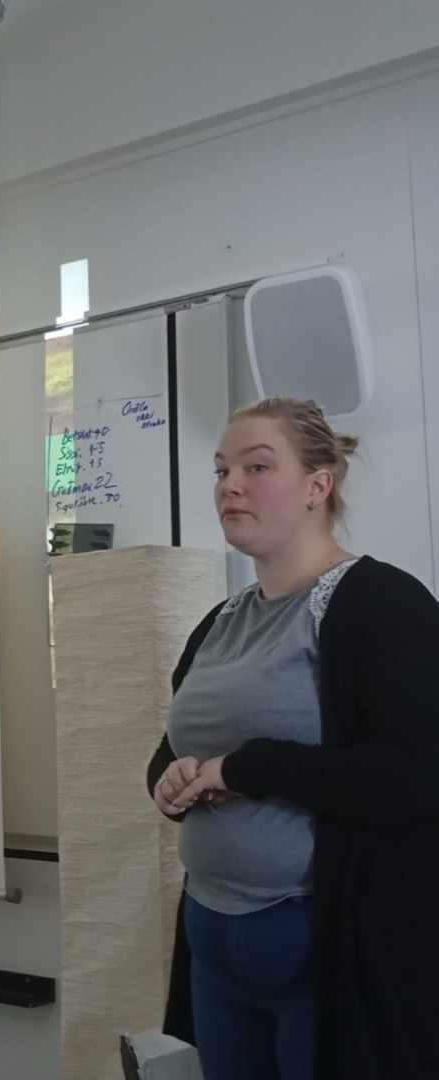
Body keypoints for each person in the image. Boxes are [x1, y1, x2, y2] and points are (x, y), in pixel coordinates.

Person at [146, 397, 439, 1080]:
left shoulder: (381, 604)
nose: (230, 485)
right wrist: (168, 776)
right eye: (221, 470)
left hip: (328, 941)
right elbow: (181, 743)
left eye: (257, 466)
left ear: (317, 486)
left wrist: (246, 770)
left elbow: (416, 777)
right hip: (213, 938)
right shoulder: (220, 621)